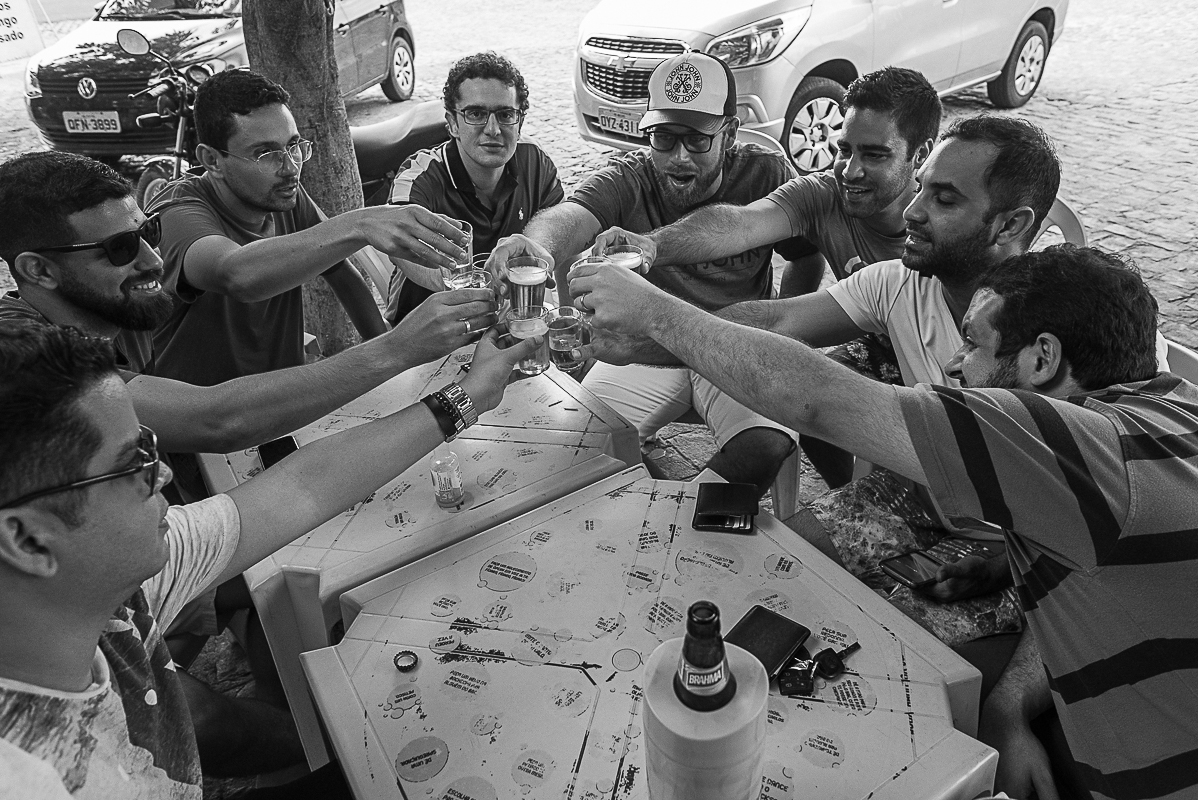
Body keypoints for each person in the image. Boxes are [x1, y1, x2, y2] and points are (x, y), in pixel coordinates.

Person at [571, 243, 1198, 800]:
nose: (954, 365)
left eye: (975, 344)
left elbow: (814, 402)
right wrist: (1010, 701)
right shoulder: (1163, 416)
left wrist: (654, 309)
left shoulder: (1091, 451)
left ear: (1042, 360)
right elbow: (1103, 565)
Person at [0, 319, 538, 799]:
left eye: (150, 444)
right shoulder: (29, 776)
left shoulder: (87, 582)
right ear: (28, 541)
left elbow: (302, 487)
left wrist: (467, 397)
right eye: (133, 463)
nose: (163, 473)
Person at [0, 150, 498, 456]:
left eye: (146, 232)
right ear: (37, 270)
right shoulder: (26, 361)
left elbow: (337, 270)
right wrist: (399, 349)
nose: (154, 260)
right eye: (119, 249)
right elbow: (217, 417)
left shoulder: (99, 319)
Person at [492, 52, 817, 497]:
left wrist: (780, 327)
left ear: (731, 133)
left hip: (732, 341)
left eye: (697, 140)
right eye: (663, 138)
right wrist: (537, 249)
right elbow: (573, 213)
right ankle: (666, 514)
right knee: (577, 445)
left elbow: (805, 255)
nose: (679, 157)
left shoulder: (765, 175)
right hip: (645, 347)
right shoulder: (632, 177)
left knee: (764, 445)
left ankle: (689, 521)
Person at [147, 68, 470, 387]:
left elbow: (341, 272)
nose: (290, 167)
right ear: (212, 160)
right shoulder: (177, 214)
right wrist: (360, 223)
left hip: (284, 405)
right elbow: (237, 275)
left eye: (294, 145)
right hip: (206, 423)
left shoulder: (281, 195)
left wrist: (390, 355)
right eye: (265, 153)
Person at [384, 51, 564, 324]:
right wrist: (470, 281)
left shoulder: (534, 161)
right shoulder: (421, 175)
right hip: (426, 335)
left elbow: (564, 232)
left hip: (507, 325)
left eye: (505, 114)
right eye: (476, 114)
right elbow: (398, 248)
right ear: (453, 123)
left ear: (521, 122)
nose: (493, 129)